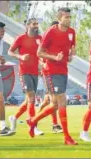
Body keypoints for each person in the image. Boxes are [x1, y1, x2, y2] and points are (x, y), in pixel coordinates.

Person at [26, 7, 77, 145]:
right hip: (50, 70)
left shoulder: (72, 32)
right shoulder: (51, 32)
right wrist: (54, 57)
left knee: (54, 105)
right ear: (59, 18)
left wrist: (71, 54)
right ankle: (67, 137)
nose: (68, 19)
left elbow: (70, 55)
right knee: (61, 101)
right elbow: (39, 53)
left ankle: (33, 121)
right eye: (66, 17)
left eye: (69, 17)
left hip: (63, 70)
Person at [8, 18, 44, 136]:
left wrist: (42, 63)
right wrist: (21, 57)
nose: (36, 26)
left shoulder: (39, 39)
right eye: (34, 24)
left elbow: (42, 52)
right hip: (24, 71)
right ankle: (33, 126)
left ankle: (14, 117)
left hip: (35, 72)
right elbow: (10, 52)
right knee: (32, 97)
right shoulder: (20, 38)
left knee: (29, 100)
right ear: (28, 26)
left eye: (37, 24)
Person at [37, 20, 63, 134]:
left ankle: (36, 121)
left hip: (55, 73)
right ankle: (36, 122)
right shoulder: (45, 40)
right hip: (48, 73)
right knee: (53, 102)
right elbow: (38, 55)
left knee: (48, 101)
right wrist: (43, 64)